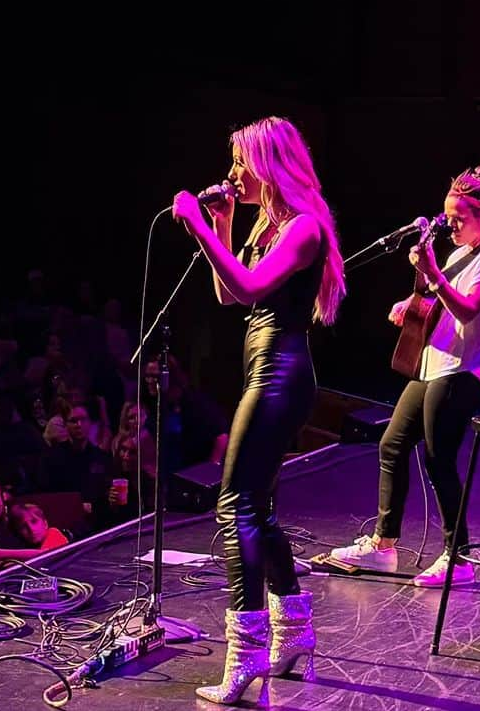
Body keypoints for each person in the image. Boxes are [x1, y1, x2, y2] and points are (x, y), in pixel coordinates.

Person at [171, 116, 345, 704]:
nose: (233, 173)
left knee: (233, 505)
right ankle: (293, 630)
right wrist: (219, 225)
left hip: (280, 373)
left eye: (242, 162)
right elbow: (230, 294)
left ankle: (244, 654)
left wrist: (198, 225)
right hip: (263, 368)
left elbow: (247, 289)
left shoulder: (303, 228)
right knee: (259, 508)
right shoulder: (268, 225)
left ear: (269, 164)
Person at [329, 162, 480, 588]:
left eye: (458, 219)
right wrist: (410, 305)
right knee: (392, 444)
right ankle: (384, 544)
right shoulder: (459, 253)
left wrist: (432, 276)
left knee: (438, 459)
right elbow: (441, 303)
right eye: (447, 217)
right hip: (432, 367)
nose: (450, 225)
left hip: (463, 372)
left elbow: (468, 308)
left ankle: (459, 557)